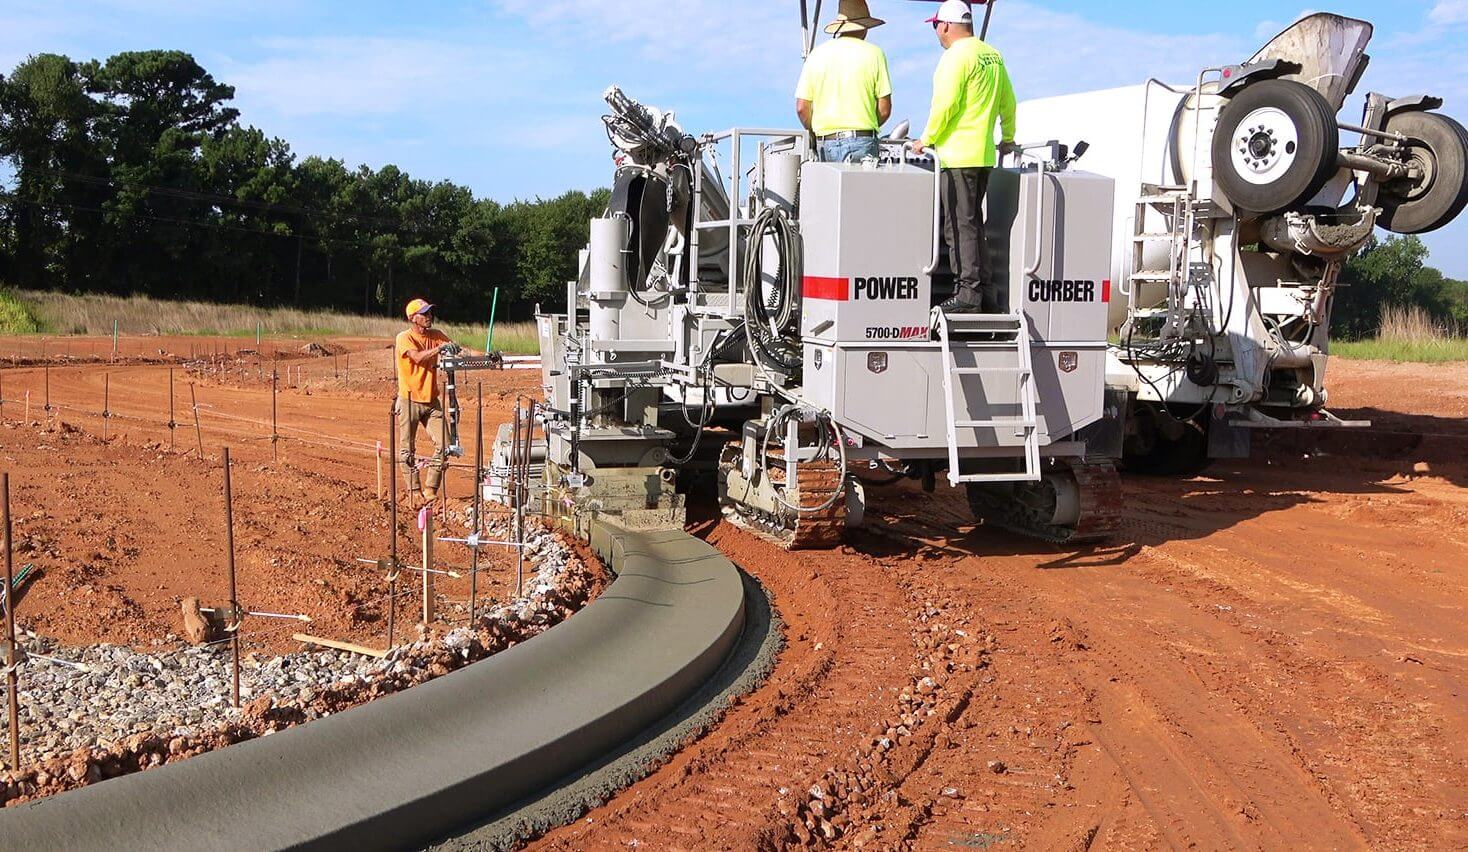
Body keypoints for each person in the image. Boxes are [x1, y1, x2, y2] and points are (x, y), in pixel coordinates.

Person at [913, 0, 1018, 314]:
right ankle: (986, 293)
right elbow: (1008, 103)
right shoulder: (993, 56)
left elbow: (945, 106)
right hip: (983, 154)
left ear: (946, 25)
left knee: (959, 227)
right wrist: (1008, 138)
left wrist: (925, 140)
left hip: (957, 156)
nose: (937, 33)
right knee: (975, 225)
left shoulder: (954, 58)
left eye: (936, 26)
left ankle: (967, 295)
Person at [795, 0, 894, 163]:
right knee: (864, 189)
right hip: (864, 141)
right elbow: (884, 109)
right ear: (863, 27)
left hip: (826, 142)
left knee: (828, 189)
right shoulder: (875, 53)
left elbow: (801, 108)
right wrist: (865, 121)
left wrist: (814, 131)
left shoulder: (816, 55)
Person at [395, 298, 454, 506]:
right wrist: (440, 350)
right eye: (424, 314)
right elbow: (418, 358)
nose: (429, 317)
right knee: (406, 448)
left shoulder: (437, 336)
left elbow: (457, 350)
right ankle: (414, 489)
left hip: (431, 400)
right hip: (409, 399)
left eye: (430, 313)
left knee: (446, 444)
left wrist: (486, 357)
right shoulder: (404, 338)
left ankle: (431, 488)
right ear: (413, 318)